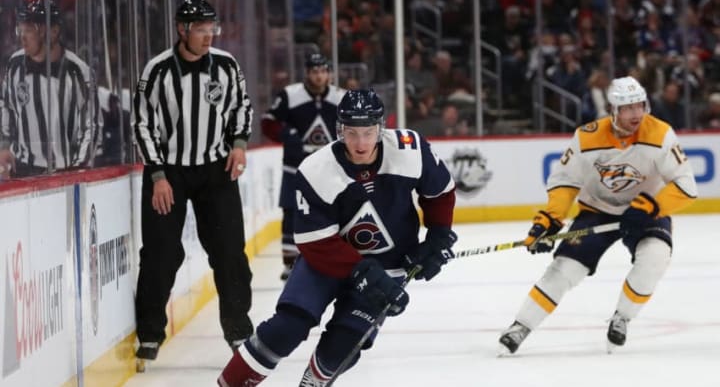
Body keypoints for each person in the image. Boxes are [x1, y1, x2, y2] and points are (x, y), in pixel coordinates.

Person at [218, 89, 458, 386]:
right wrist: (362, 270)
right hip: (326, 263)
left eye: (369, 132)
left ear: (381, 128)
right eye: (351, 132)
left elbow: (440, 192)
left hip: (388, 264)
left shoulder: (410, 149)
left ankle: (311, 382)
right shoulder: (316, 169)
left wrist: (438, 236)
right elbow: (314, 242)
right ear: (339, 130)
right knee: (286, 328)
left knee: (343, 346)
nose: (360, 143)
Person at [497, 76, 697, 355]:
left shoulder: (661, 134)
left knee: (655, 259)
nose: (636, 113)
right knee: (564, 269)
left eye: (639, 105)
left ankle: (622, 318)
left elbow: (685, 185)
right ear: (613, 111)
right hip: (597, 211)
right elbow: (565, 181)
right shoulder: (587, 136)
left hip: (646, 211)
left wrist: (651, 207)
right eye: (628, 108)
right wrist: (549, 220)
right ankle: (521, 325)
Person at [132, 0, 254, 363]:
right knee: (161, 253)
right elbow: (142, 123)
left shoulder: (227, 66)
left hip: (217, 171)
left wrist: (239, 144)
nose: (207, 36)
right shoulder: (156, 71)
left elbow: (241, 107)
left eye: (210, 28)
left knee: (230, 253)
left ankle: (238, 331)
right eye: (200, 29)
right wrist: (157, 175)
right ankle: (151, 333)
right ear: (181, 30)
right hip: (168, 172)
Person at [260, 52, 346, 280]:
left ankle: (334, 256)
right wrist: (287, 134)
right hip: (296, 167)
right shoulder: (290, 95)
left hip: (329, 166)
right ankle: (290, 263)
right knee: (292, 212)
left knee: (336, 210)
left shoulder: (340, 97)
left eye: (323, 71)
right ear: (307, 73)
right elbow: (268, 122)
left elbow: (352, 123)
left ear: (329, 73)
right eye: (314, 71)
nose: (319, 76)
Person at [0, 0, 96, 179]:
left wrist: (78, 168)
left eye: (29, 29)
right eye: (21, 29)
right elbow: (6, 107)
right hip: (22, 169)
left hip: (64, 173)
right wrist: (4, 145)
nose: (22, 36)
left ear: (52, 32)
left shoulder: (78, 71)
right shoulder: (14, 65)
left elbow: (92, 125)